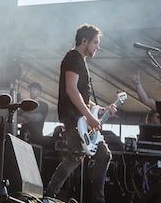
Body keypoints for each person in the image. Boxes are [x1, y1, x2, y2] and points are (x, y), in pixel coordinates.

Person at [44, 24, 115, 203]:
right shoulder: (73, 58)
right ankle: (52, 195)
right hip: (73, 118)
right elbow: (71, 90)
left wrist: (101, 110)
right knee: (95, 155)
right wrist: (90, 117)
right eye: (95, 42)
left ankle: (49, 195)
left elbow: (82, 97)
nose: (98, 47)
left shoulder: (79, 61)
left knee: (75, 157)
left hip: (79, 117)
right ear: (84, 41)